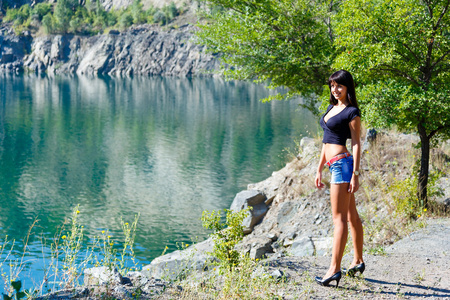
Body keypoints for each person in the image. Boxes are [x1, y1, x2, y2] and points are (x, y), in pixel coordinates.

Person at [314, 70, 365, 288]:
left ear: (347, 88)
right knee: (351, 215)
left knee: (339, 219)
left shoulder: (352, 112)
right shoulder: (331, 108)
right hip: (333, 165)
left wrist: (355, 173)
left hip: (343, 167)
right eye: (332, 86)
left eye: (339, 86)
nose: (335, 90)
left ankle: (334, 269)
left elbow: (356, 143)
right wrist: (318, 169)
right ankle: (358, 261)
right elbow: (326, 142)